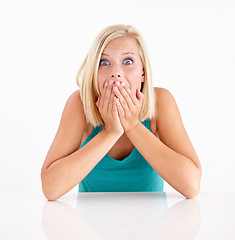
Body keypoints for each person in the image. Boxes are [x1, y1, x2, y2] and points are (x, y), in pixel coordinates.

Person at [41, 24, 202, 201]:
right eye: (104, 63)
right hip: (89, 225)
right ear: (95, 72)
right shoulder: (79, 104)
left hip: (152, 225)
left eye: (127, 62)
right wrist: (110, 132)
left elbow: (191, 185)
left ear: (143, 72)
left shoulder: (161, 101)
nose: (115, 73)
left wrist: (133, 126)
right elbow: (50, 188)